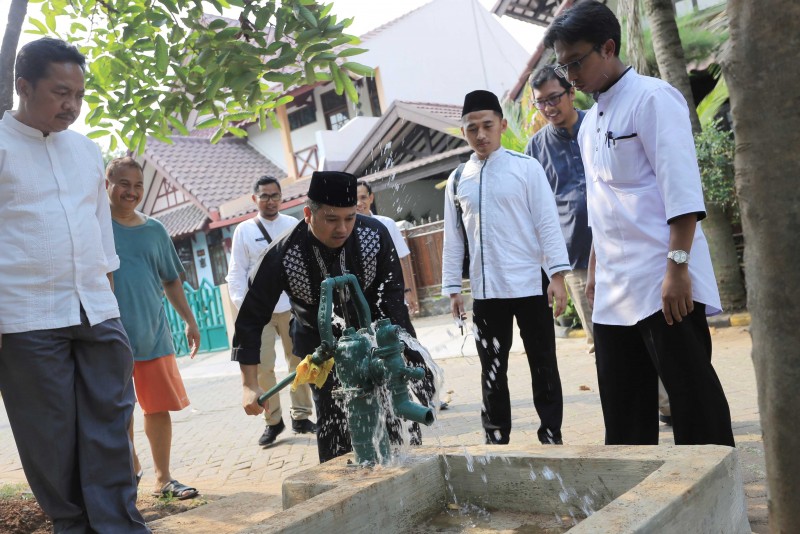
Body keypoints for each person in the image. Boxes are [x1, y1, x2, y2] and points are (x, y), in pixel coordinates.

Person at [544, 0, 735, 446]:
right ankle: (638, 503)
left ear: (608, 48)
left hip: (662, 279)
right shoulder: (591, 124)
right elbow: (602, 202)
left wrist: (678, 268)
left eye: (576, 62)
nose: (570, 74)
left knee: (692, 401)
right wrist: (595, 268)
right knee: (624, 407)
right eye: (562, 63)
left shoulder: (653, 98)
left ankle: (714, 501)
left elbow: (682, 191)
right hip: (614, 288)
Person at [0, 38, 149, 532]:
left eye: (79, 95)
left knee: (111, 419)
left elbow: (101, 231)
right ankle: (73, 525)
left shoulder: (87, 151)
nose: (72, 105)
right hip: (25, 316)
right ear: (23, 87)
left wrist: (108, 296)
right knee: (51, 436)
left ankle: (120, 524)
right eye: (61, 92)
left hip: (96, 308)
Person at [232, 171, 436, 463]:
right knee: (333, 422)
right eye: (331, 219)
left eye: (349, 218)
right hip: (320, 349)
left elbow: (393, 301)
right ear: (308, 214)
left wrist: (406, 355)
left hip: (375, 339)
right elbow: (251, 318)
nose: (342, 228)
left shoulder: (373, 235)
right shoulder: (282, 254)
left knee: (396, 425)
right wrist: (249, 384)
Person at [442, 89, 571, 445]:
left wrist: (557, 276)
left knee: (543, 362)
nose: (480, 135)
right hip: (486, 291)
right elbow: (453, 239)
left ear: (501, 124)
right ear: (464, 132)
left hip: (531, 284)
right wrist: (454, 288)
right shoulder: (457, 180)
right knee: (492, 369)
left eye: (487, 125)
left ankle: (551, 433)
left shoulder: (526, 168)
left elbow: (548, 223)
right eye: (472, 129)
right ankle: (496, 436)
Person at [106, 157, 201, 500]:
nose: (131, 192)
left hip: (153, 332)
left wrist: (190, 321)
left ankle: (163, 479)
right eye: (124, 184)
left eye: (138, 186)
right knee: (119, 410)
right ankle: (129, 472)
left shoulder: (155, 229)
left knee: (157, 408)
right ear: (108, 184)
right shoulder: (97, 226)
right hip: (108, 337)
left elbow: (172, 280)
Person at [226, 176, 315, 448]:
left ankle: (301, 416)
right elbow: (236, 273)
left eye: (275, 195)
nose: (271, 200)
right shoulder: (244, 230)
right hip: (260, 310)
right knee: (263, 368)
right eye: (264, 196)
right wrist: (247, 307)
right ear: (255, 199)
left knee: (299, 362)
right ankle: (273, 421)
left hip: (291, 307)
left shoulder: (293, 225)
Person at [524, 65, 594, 353]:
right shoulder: (535, 149)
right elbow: (535, 212)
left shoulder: (597, 124)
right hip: (577, 259)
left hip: (621, 248)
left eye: (554, 98)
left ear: (572, 92)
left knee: (645, 332)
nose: (548, 107)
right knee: (600, 341)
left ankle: (664, 401)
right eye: (541, 102)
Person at [356, 180, 418, 315]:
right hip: (363, 300)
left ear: (371, 198)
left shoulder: (387, 224)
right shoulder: (346, 231)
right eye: (354, 200)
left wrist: (407, 291)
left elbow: (400, 260)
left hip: (391, 294)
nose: (359, 203)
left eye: (363, 198)